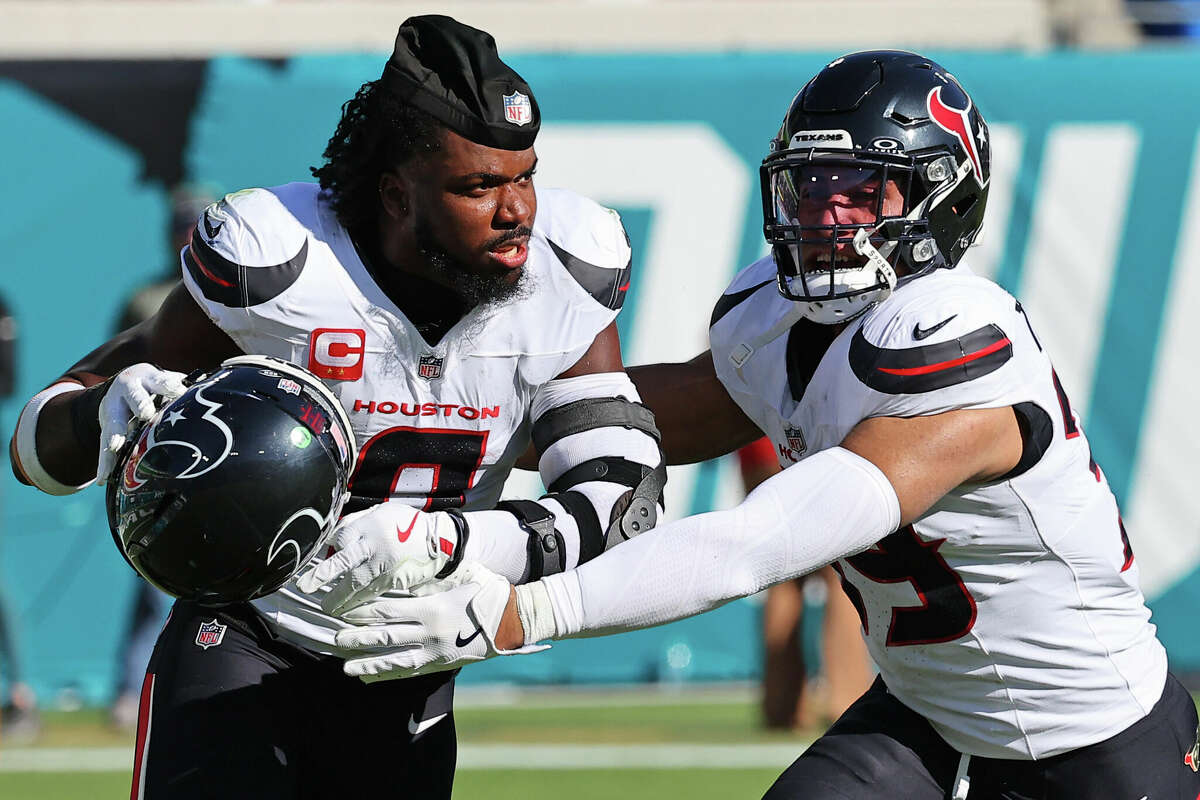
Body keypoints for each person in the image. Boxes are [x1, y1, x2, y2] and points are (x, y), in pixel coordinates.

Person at [323, 51, 1200, 800]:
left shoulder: (962, 337)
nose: (824, 215)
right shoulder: (774, 318)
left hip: (1094, 734)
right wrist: (463, 418)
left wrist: (523, 611)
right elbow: (658, 413)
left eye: (859, 191)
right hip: (929, 715)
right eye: (810, 186)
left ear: (941, 199)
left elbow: (761, 542)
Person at [8, 15, 663, 798]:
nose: (516, 209)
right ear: (395, 194)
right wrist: (100, 418)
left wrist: (449, 543)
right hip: (251, 636)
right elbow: (34, 447)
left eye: (523, 176)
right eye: (478, 186)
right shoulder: (284, 264)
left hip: (409, 653)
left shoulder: (565, 269)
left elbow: (621, 500)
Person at [108, 182, 218, 732]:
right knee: (155, 578)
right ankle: (137, 689)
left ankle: (150, 686)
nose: (186, 235)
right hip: (161, 454)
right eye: (181, 225)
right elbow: (112, 379)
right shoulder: (148, 299)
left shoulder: (245, 293)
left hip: (226, 453)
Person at [738, 438, 872, 732]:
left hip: (756, 436)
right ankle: (845, 700)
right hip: (807, 428)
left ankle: (781, 707)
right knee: (841, 567)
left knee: (781, 570)